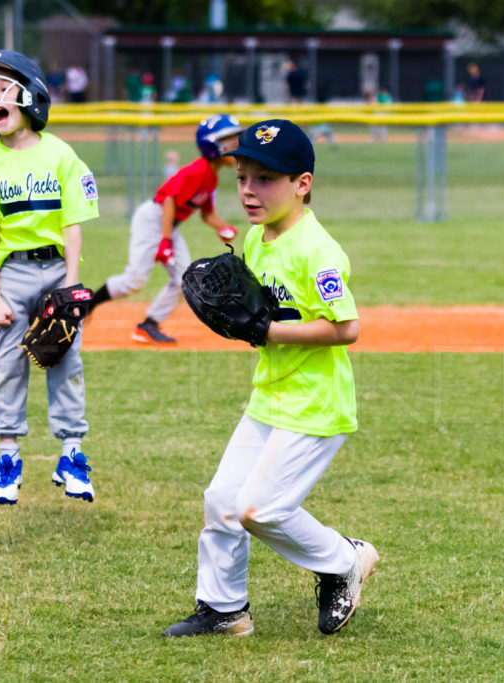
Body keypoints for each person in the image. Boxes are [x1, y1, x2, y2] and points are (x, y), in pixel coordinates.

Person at [162, 119, 378, 637]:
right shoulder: (257, 240)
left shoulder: (318, 251)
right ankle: (224, 610)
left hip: (315, 403)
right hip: (272, 395)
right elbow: (258, 317)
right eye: (241, 177)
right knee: (221, 501)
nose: (249, 191)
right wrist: (246, 322)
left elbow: (346, 327)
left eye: (266, 179)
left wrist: (269, 329)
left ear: (302, 183)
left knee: (260, 509)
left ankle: (342, 559)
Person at [0, 50, 99, 505]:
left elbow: (72, 223)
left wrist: (72, 285)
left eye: (1, 90)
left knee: (65, 358)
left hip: (56, 266)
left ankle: (71, 454)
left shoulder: (61, 154)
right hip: (14, 271)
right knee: (8, 363)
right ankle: (8, 458)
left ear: (30, 95)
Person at [89, 115, 242, 344]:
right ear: (213, 144)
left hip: (167, 224)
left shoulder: (211, 176)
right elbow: (169, 199)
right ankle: (87, 304)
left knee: (186, 279)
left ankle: (148, 325)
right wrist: (165, 240)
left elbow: (206, 213)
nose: (236, 145)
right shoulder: (198, 170)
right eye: (231, 140)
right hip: (154, 219)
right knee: (136, 280)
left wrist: (222, 227)